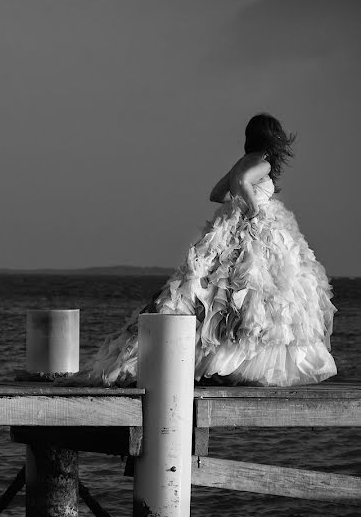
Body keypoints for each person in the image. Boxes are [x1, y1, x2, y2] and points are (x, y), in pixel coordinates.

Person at [87, 113, 336, 387]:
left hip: (233, 225)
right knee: (259, 294)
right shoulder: (261, 163)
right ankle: (235, 360)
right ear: (272, 138)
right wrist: (253, 208)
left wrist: (238, 201)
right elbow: (241, 183)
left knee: (223, 291)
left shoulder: (243, 161)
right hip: (256, 226)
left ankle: (213, 357)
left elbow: (217, 194)